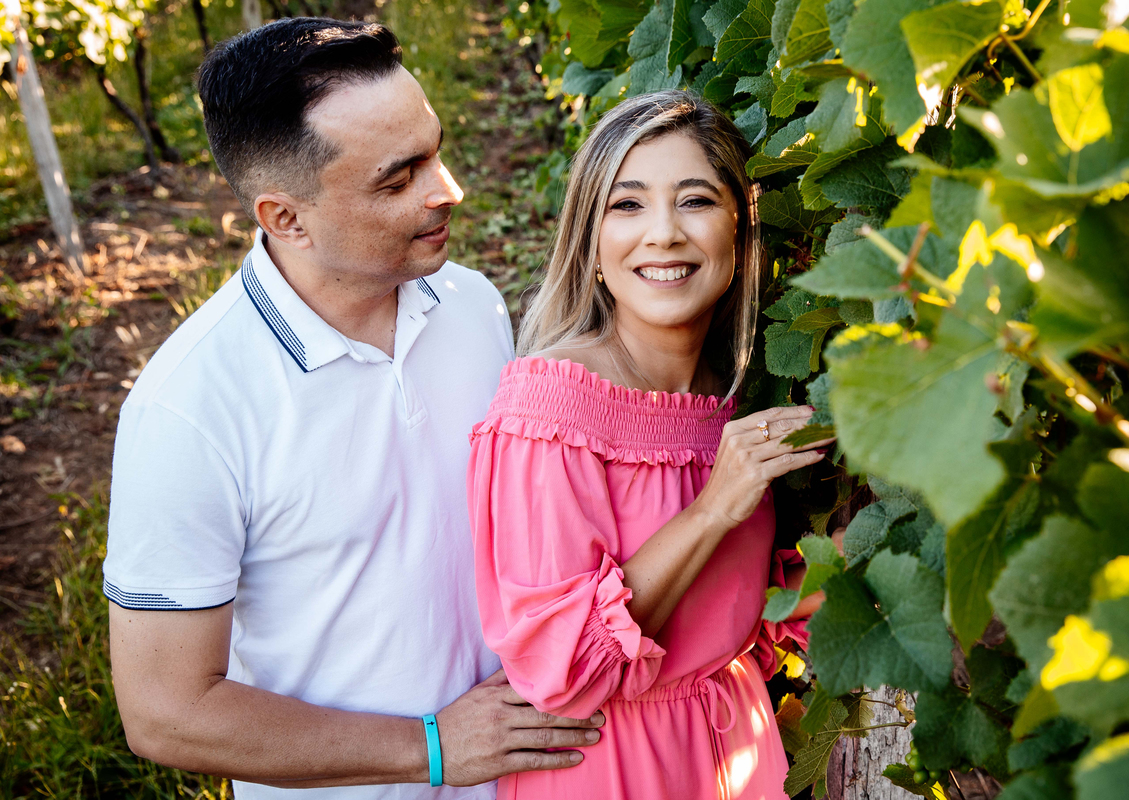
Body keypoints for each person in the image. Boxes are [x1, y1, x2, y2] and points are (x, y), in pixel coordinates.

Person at [102, 18, 602, 800]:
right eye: (397, 179)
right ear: (285, 219)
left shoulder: (472, 305)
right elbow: (166, 712)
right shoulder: (187, 413)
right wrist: (431, 749)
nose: (448, 191)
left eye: (434, 151)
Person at [468, 90, 835, 800]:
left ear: (741, 230)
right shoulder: (551, 406)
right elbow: (564, 668)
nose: (663, 233)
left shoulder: (721, 398)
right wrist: (711, 512)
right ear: (592, 244)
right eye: (627, 205)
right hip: (610, 768)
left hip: (732, 753)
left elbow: (725, 615)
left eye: (694, 200)